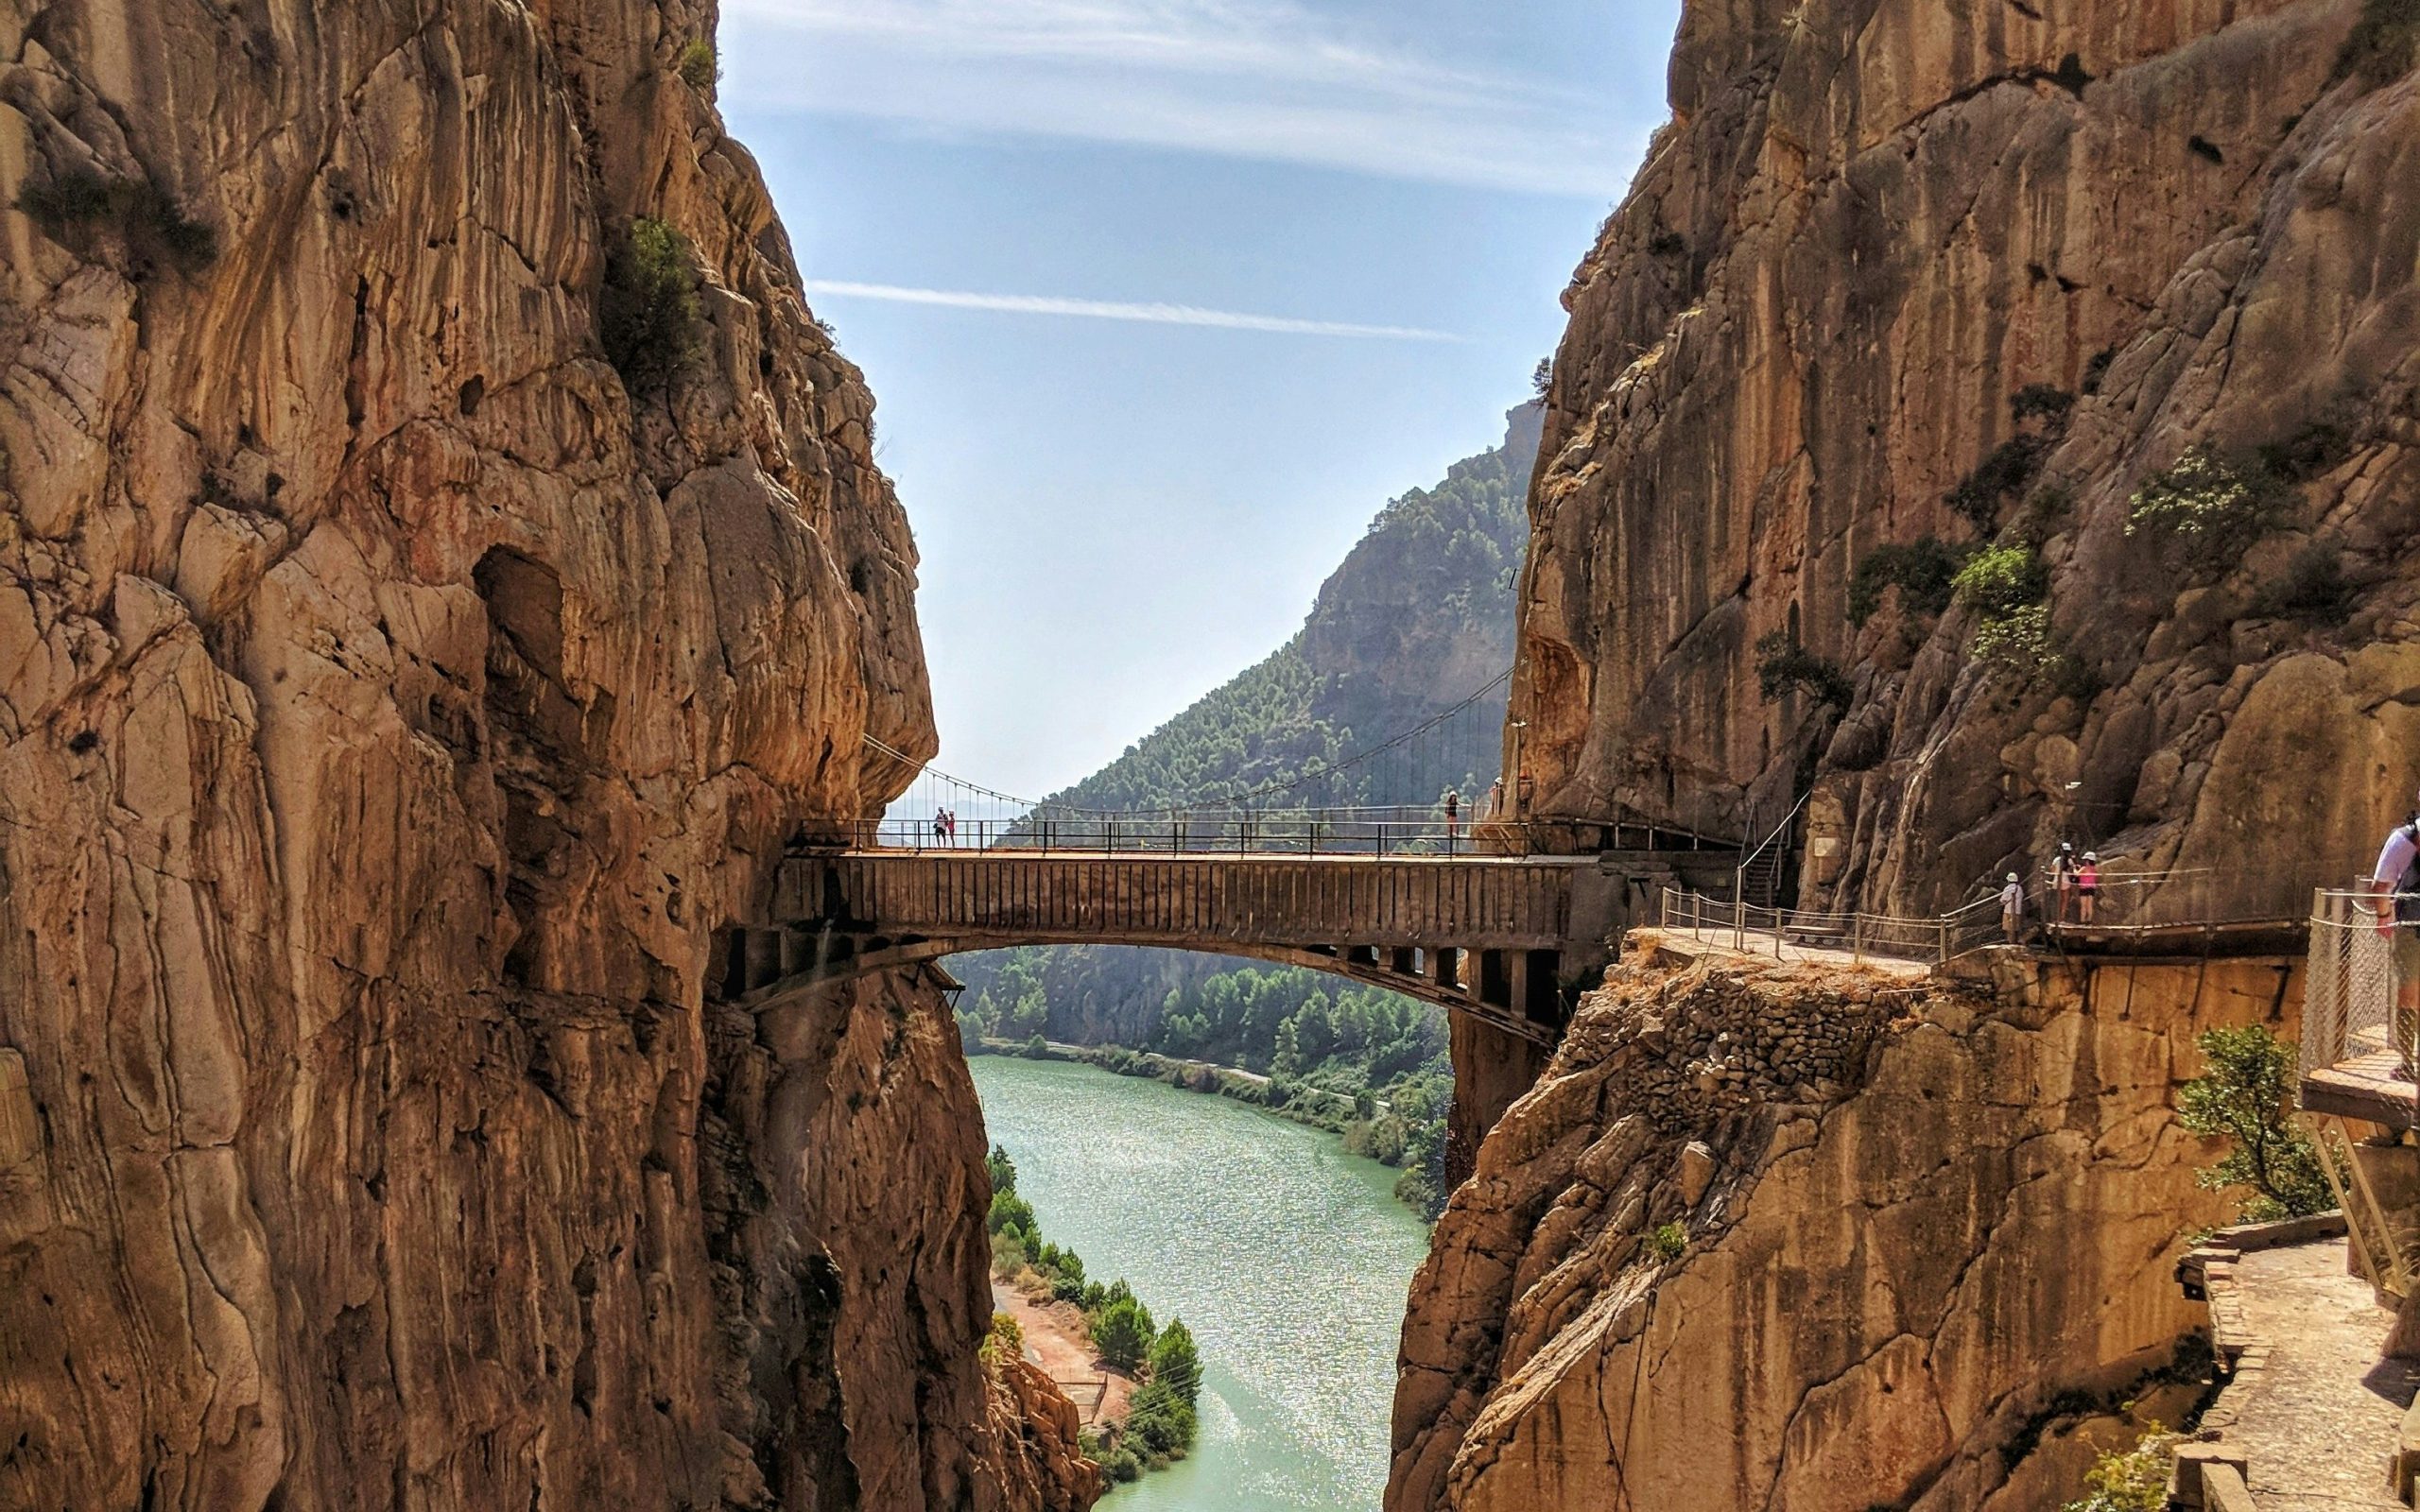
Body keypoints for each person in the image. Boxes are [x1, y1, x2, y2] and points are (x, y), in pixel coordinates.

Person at [2369, 785, 2420, 1078]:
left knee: (2409, 994)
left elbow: (2381, 885)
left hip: (2411, 926)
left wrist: (2383, 917)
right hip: (2411, 927)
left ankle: (2407, 1064)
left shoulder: (2404, 839)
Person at [2049, 842, 2078, 924]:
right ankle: (2062, 918)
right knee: (2065, 900)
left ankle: (2056, 918)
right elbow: (2073, 869)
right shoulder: (2069, 860)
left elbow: (2052, 870)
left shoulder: (2056, 859)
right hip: (2065, 880)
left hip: (2057, 879)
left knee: (2058, 899)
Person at [2000, 871, 2027, 945]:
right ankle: (2015, 942)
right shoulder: (2020, 888)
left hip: (2008, 911)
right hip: (2017, 911)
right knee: (2016, 928)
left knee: (2008, 929)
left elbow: (2003, 900)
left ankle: (2010, 943)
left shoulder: (2007, 888)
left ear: (2008, 880)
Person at [2076, 851, 2100, 925]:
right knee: (2089, 905)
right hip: (2092, 888)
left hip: (2084, 888)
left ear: (2087, 860)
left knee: (2083, 905)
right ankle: (2089, 920)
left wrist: (2075, 868)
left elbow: (2076, 874)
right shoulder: (2095, 869)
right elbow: (2096, 878)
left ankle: (2082, 920)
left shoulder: (2084, 868)